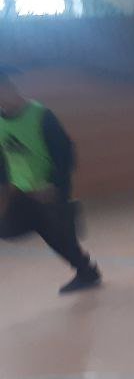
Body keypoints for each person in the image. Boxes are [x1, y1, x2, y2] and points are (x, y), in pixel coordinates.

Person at [0, 66, 101, 294]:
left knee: (57, 236)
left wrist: (54, 186)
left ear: (9, 87)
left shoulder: (41, 116)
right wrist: (5, 188)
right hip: (21, 191)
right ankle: (69, 237)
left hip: (49, 190)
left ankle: (86, 270)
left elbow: (66, 154)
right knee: (10, 228)